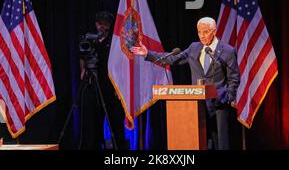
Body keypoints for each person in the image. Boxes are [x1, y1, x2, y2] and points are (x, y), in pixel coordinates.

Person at [131, 17, 240, 150]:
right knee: (200, 143)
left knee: (222, 144)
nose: (201, 35)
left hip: (219, 105)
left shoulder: (227, 51)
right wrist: (148, 53)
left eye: (205, 32)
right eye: (199, 32)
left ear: (214, 31)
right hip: (197, 105)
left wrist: (228, 96)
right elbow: (172, 59)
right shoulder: (194, 48)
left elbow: (234, 77)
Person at [79, 11, 127, 150]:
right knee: (92, 128)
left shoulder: (115, 41)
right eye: (100, 23)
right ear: (96, 24)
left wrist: (120, 87)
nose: (102, 27)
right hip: (92, 87)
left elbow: (121, 64)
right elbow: (82, 56)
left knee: (116, 125)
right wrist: (82, 70)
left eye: (105, 24)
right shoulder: (90, 40)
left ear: (109, 26)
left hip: (110, 89)